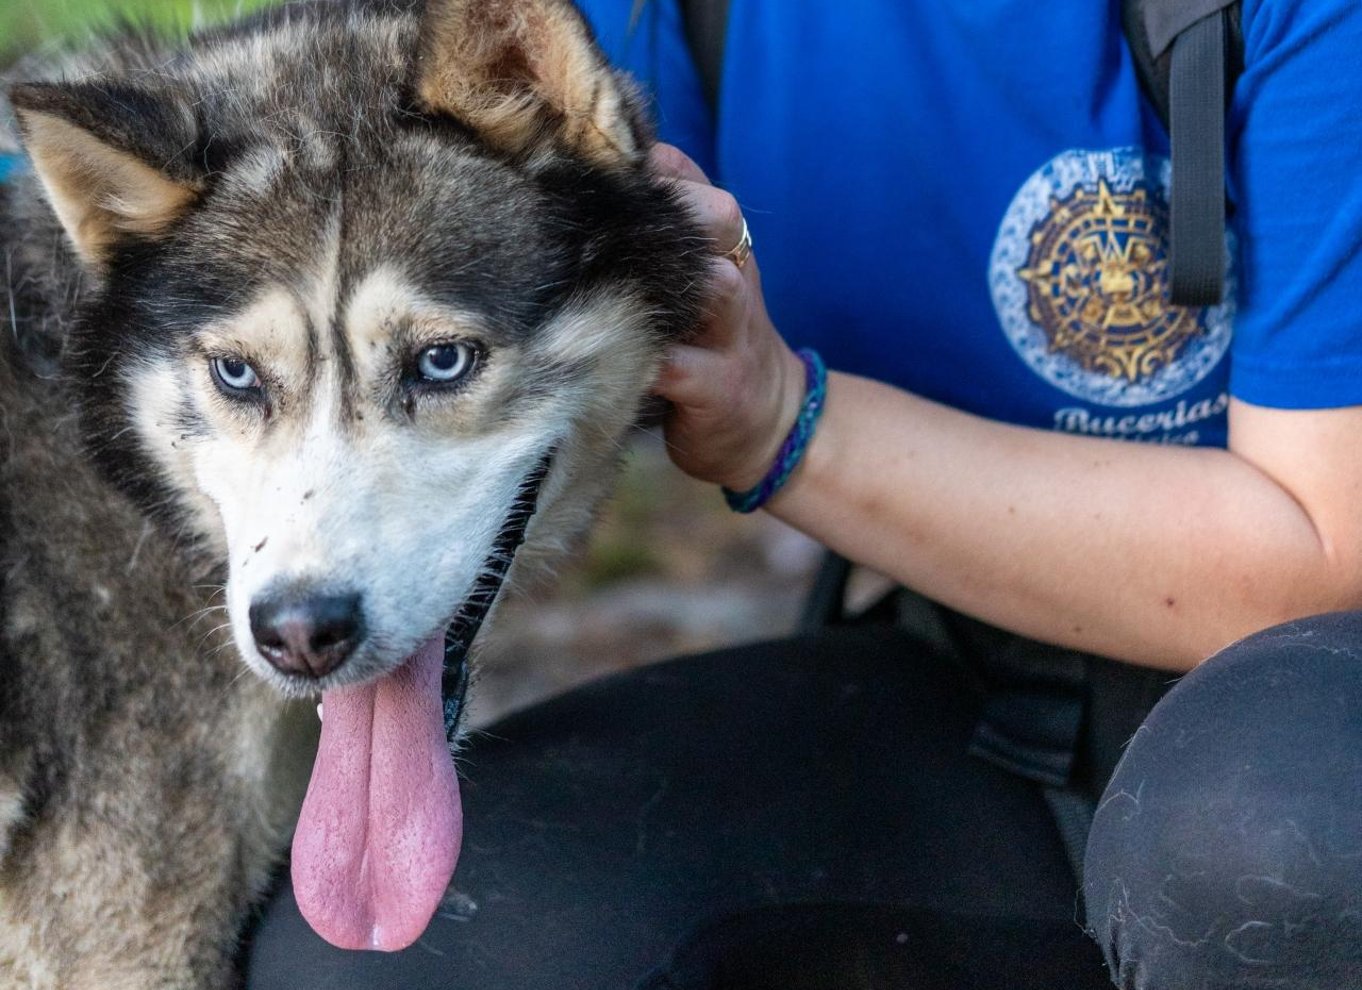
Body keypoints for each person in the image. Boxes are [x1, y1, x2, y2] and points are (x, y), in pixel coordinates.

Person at [248, 1, 1362, 987]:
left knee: (1276, 844)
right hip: (975, 692)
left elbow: (1324, 557)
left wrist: (782, 422)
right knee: (385, 961)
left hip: (1307, 726)